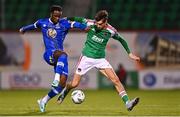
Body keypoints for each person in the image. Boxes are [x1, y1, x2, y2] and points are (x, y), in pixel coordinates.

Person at [57, 10, 140, 111]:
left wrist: (129, 53)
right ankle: (66, 90)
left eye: (100, 24)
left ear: (105, 22)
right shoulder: (91, 23)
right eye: (96, 23)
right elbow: (77, 18)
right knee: (74, 84)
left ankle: (127, 103)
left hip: (100, 60)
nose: (97, 25)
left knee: (116, 80)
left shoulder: (111, 30)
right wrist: (65, 19)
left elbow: (121, 39)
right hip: (86, 59)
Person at [19, 5, 86, 112]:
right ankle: (55, 78)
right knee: (63, 55)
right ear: (51, 14)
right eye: (56, 16)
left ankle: (43, 100)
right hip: (49, 54)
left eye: (59, 16)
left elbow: (76, 24)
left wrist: (85, 27)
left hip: (60, 59)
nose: (58, 18)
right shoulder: (43, 22)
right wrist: (23, 29)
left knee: (62, 84)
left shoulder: (64, 24)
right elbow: (33, 26)